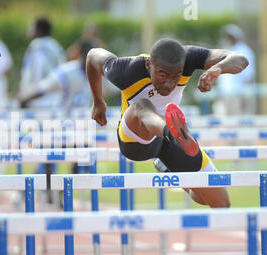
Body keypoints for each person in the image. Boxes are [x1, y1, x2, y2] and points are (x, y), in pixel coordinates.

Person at [86, 38, 249, 208]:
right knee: (142, 106)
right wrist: (98, 100)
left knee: (220, 202)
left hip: (168, 141)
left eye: (176, 76)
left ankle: (170, 167)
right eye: (162, 75)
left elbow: (240, 59)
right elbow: (92, 56)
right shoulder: (125, 70)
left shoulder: (188, 57)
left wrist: (218, 68)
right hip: (135, 138)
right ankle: (172, 132)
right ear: (149, 65)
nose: (169, 84)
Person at [19, 16, 66, 108]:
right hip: (55, 99)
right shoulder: (55, 46)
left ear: (39, 30)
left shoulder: (37, 46)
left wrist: (25, 94)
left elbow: (35, 73)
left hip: (38, 100)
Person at [214, 24, 257, 115]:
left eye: (230, 36)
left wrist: (243, 93)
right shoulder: (225, 50)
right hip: (225, 93)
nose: (228, 38)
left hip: (238, 92)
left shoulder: (244, 51)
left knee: (237, 120)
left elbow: (248, 75)